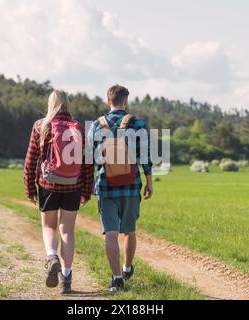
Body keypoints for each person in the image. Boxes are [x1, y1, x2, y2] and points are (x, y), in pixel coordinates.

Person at [23, 89, 94, 294]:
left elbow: (31, 159)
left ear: (50, 104)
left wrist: (30, 188)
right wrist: (87, 190)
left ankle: (51, 256)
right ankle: (66, 278)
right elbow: (87, 163)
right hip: (73, 185)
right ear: (68, 104)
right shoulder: (80, 128)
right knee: (67, 230)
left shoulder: (41, 126)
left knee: (49, 226)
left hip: (48, 185)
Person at [87, 84, 153, 292]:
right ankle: (126, 267)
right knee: (130, 231)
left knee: (111, 234)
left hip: (106, 187)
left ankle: (117, 279)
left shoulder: (96, 126)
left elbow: (91, 159)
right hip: (131, 187)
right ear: (125, 101)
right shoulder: (137, 124)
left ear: (108, 102)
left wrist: (89, 185)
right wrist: (149, 181)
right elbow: (145, 156)